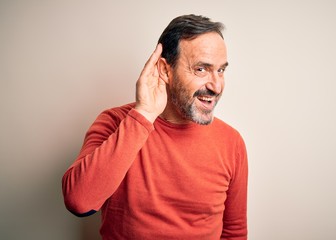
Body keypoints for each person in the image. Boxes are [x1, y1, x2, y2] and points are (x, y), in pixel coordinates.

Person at [62, 14, 248, 239]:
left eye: (221, 70)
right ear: (165, 69)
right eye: (201, 69)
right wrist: (144, 115)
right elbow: (79, 202)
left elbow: (234, 232)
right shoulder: (115, 123)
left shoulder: (232, 142)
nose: (217, 86)